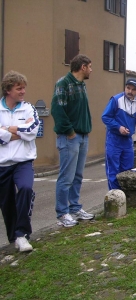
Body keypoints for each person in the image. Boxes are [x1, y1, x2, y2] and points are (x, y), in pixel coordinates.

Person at [51, 54, 95, 227]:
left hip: (82, 136)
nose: (91, 70)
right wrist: (69, 132)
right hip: (70, 137)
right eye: (90, 66)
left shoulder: (81, 85)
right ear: (82, 67)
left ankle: (75, 207)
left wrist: (86, 130)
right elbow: (58, 110)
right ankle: (63, 213)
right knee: (66, 177)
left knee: (77, 175)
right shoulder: (63, 83)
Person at [0, 71, 39, 251]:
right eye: (19, 88)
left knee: (25, 188)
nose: (23, 92)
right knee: (6, 203)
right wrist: (18, 134)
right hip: (3, 164)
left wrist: (8, 129)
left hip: (23, 161)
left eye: (24, 88)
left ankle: (22, 234)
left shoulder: (29, 108)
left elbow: (33, 130)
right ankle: (13, 236)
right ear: (8, 90)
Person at [102, 79, 136, 190]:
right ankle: (115, 197)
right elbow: (105, 117)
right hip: (114, 138)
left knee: (127, 168)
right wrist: (119, 127)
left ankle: (126, 196)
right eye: (128, 88)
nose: (130, 91)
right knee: (113, 170)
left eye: (133, 89)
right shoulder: (116, 100)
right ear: (125, 87)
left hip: (127, 139)